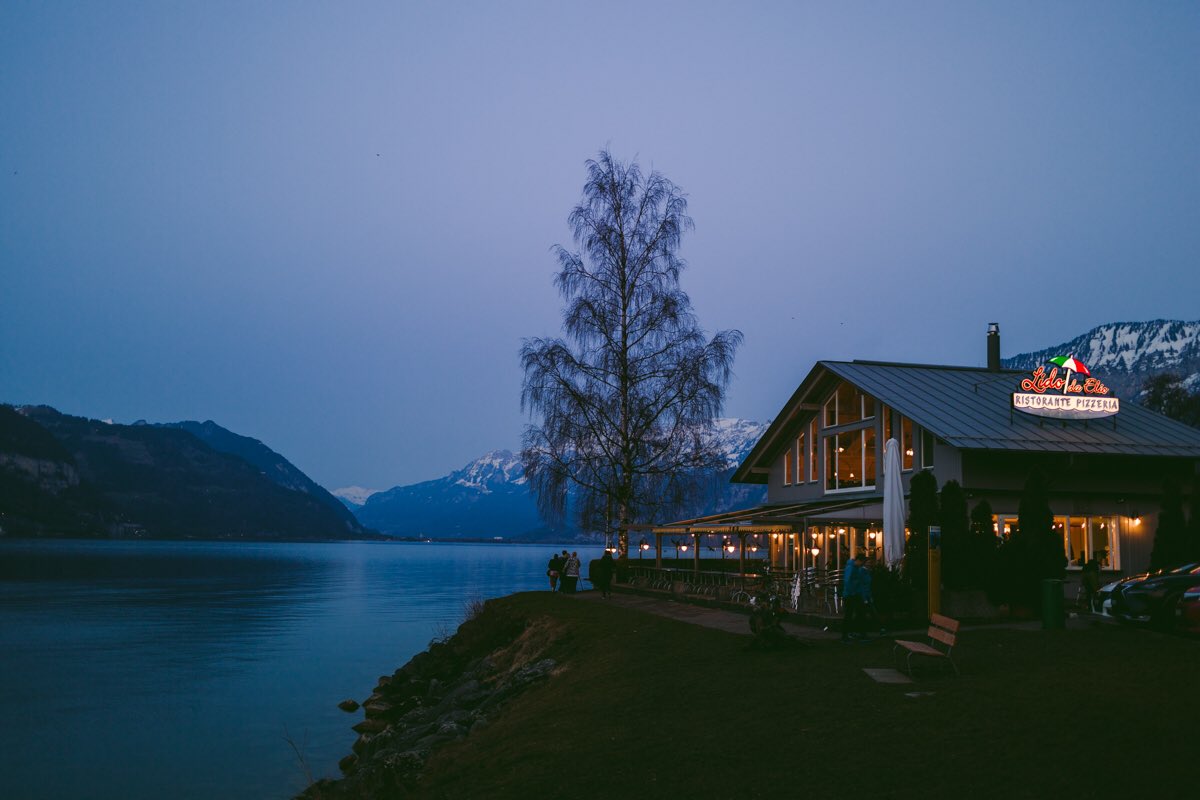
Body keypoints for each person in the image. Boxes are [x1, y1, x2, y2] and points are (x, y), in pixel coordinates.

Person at [841, 553, 868, 642]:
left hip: (853, 594)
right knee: (850, 614)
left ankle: (855, 633)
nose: (863, 564)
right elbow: (848, 581)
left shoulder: (854, 568)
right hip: (851, 594)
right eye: (863, 562)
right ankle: (846, 635)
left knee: (855, 614)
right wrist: (853, 592)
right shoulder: (852, 568)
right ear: (859, 561)